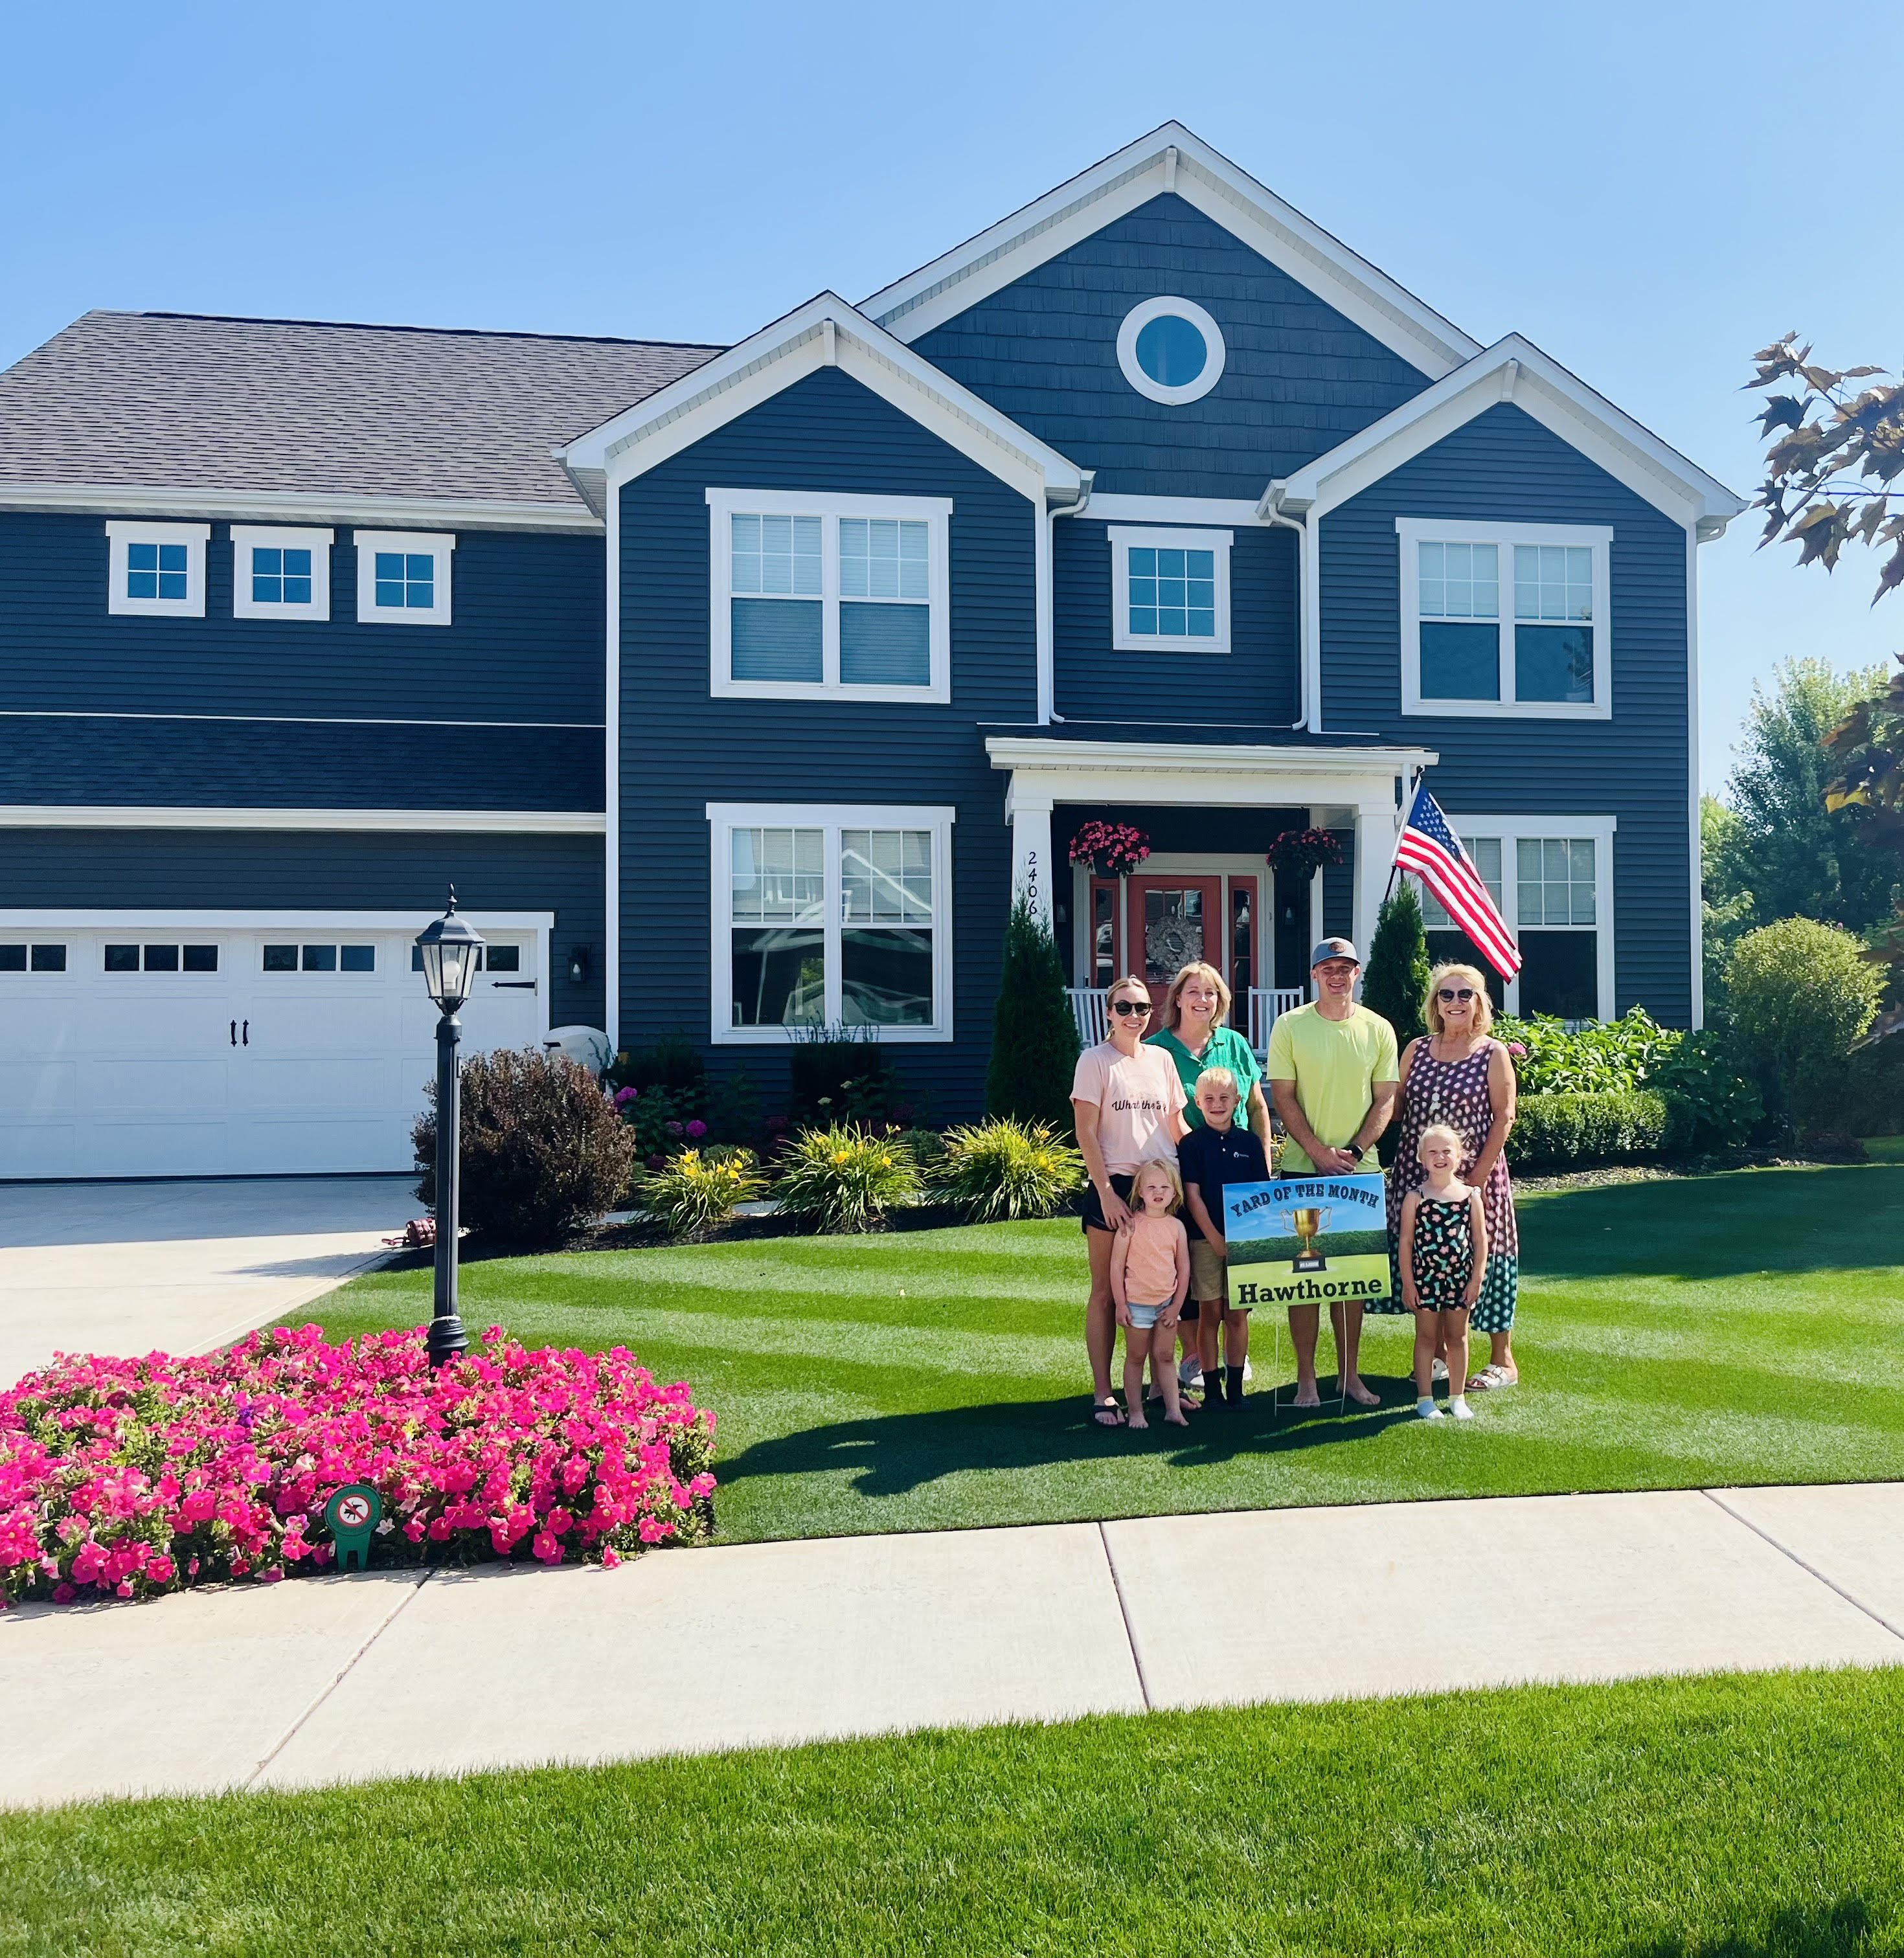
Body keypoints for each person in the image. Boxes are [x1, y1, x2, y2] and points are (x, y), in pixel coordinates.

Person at [1265, 937, 1400, 1408]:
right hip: (1303, 1174)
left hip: (1359, 1176)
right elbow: (1282, 1095)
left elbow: (1385, 1099)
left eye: (1346, 967)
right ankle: (1306, 1380)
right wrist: (1318, 1152)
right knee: (1306, 1281)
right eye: (1329, 967)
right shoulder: (1290, 1025)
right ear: (1315, 974)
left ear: (1357, 974)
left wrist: (1355, 1149)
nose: (1338, 975)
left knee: (1351, 1281)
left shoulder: (1378, 1029)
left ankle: (1349, 1377)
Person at [1387, 962, 1521, 1390]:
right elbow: (1396, 1110)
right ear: (1436, 1004)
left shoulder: (1492, 1052)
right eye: (1447, 995)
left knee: (1486, 1257)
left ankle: (1502, 1360)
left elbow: (1504, 1119)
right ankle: (1438, 1357)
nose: (1457, 1002)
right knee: (1427, 1258)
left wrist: (1475, 1182)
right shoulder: (1416, 1050)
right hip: (1418, 1178)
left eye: (1466, 994)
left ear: (1480, 1001)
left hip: (1476, 1181)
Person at [1071, 974, 1190, 1428]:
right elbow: (1085, 1132)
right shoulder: (1094, 1061)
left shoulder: (1161, 1059)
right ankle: (1105, 1394)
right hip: (1114, 1186)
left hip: (1163, 1186)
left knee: (1163, 1287)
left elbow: (1177, 1127)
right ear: (1109, 1013)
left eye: (1142, 1008)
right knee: (1105, 1293)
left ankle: (1163, 1388)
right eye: (1124, 1008)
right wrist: (1105, 1193)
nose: (1134, 1016)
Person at [1148, 962, 1270, 1399]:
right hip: (1184, 1177)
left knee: (1236, 1272)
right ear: (1177, 998)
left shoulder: (1234, 1044)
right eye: (1194, 992)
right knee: (1191, 1276)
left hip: (1237, 1172)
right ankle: (1192, 1355)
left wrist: (1265, 1172)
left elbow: (1256, 1107)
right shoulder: (1158, 1049)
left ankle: (1231, 1355)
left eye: (1212, 993)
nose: (1203, 1000)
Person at [1176, 1065, 1271, 1407]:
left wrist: (1250, 1241)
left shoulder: (1249, 1143)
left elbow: (1261, 1195)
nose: (1217, 1105)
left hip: (1243, 1243)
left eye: (1224, 1098)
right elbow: (1193, 1195)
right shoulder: (1191, 1145)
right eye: (1209, 1099)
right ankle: (1212, 1389)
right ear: (1197, 1102)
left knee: (1237, 1314)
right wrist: (1214, 1237)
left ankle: (1235, 1390)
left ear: (1238, 1101)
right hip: (1204, 1241)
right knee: (1209, 1314)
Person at [1398, 1123, 1486, 1420]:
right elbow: (1406, 1242)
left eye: (1447, 1151)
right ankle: (1425, 1399)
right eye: (1432, 1151)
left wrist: (1476, 1280)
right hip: (1425, 1280)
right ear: (1421, 1158)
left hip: (1460, 1281)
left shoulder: (1471, 1196)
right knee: (1425, 1337)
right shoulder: (1416, 1198)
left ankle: (1457, 1397)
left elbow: (1480, 1241)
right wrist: (1408, 1284)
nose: (1440, 1157)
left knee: (1458, 1337)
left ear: (1459, 1155)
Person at [1110, 1160, 1193, 1429]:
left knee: (1166, 1356)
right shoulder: (1130, 1226)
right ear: (1141, 1192)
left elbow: (1184, 1269)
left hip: (1167, 1304)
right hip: (1136, 1305)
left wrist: (1176, 1305)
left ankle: (1173, 1410)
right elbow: (1116, 1268)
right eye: (1152, 1187)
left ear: (1174, 1193)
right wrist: (1121, 1305)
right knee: (1136, 1357)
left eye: (1165, 1187)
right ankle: (1136, 1412)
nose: (1158, 1192)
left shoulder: (1177, 1227)